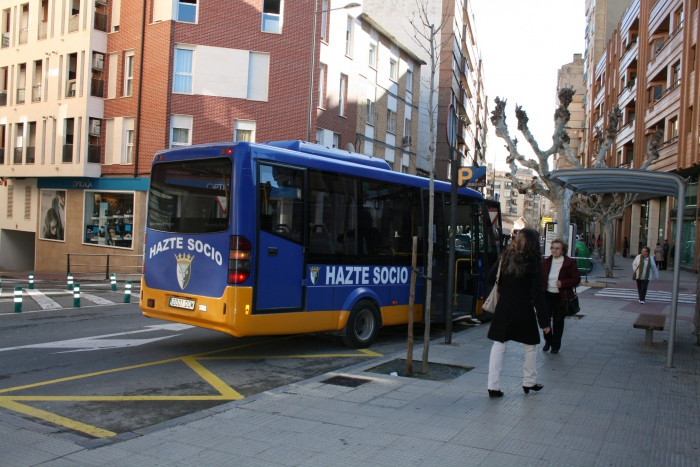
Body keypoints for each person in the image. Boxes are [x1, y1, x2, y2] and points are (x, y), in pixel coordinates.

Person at [486, 227, 550, 398]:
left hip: (504, 308)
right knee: (530, 347)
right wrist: (544, 322)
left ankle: (493, 386)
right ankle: (529, 381)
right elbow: (537, 294)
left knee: (499, 345)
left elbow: (491, 277)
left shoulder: (505, 257)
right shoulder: (533, 262)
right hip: (524, 309)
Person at [541, 239, 581, 354]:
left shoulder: (569, 263)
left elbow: (576, 279)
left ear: (563, 251)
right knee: (545, 320)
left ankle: (556, 345)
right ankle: (548, 341)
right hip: (547, 295)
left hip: (561, 297)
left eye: (557, 248)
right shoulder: (546, 262)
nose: (554, 250)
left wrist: (563, 283)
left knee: (558, 321)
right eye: (552, 248)